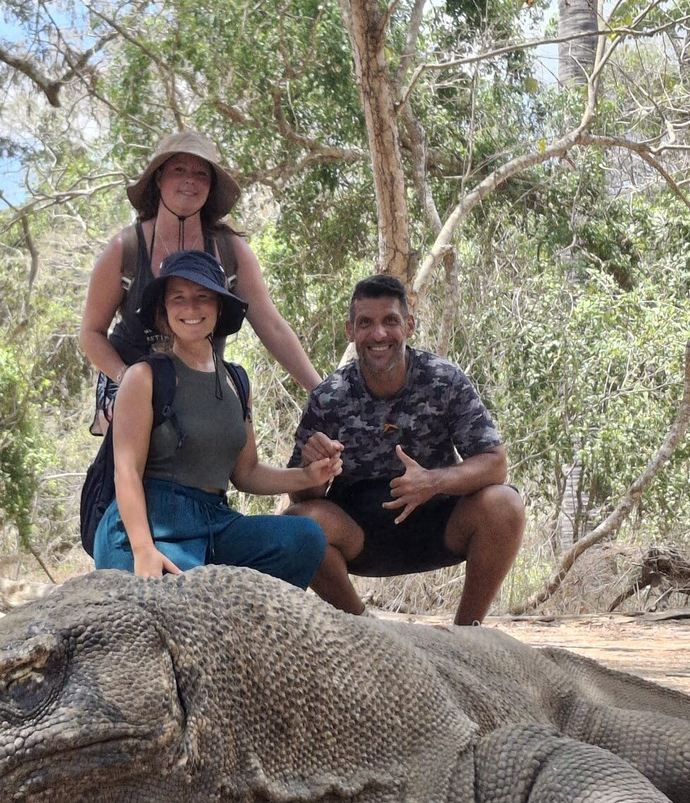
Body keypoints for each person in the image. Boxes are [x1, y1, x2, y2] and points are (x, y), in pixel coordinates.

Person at [286, 274, 524, 624]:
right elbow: (301, 498)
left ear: (409, 326)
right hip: (358, 534)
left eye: (390, 321)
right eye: (365, 323)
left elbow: (495, 464)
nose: (378, 334)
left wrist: (433, 482)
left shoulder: (444, 379)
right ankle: (363, 629)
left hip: (438, 525)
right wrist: (313, 468)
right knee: (296, 526)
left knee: (505, 504)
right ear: (350, 331)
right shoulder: (329, 396)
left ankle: (468, 633)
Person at [93, 250, 339, 588]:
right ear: (164, 311)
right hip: (147, 522)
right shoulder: (144, 376)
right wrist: (143, 548)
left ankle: (253, 626)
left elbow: (247, 473)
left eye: (202, 297)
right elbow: (127, 471)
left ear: (219, 307)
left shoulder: (237, 381)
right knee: (192, 589)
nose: (190, 308)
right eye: (178, 298)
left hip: (215, 521)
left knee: (304, 538)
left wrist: (307, 476)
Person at [80, 130, 321, 435]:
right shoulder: (125, 248)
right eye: (178, 170)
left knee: (218, 449)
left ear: (211, 186)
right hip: (127, 382)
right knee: (137, 454)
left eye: (201, 173)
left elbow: (271, 326)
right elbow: (90, 333)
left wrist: (319, 391)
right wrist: (128, 382)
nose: (189, 180)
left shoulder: (230, 251)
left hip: (202, 384)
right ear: (158, 178)